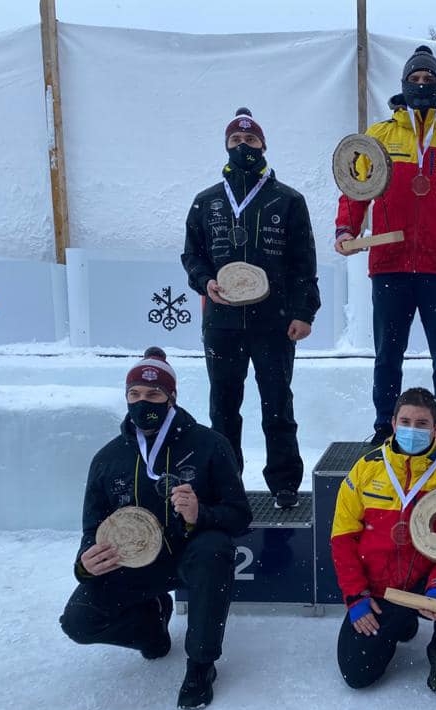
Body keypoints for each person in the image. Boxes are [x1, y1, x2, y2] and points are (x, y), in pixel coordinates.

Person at [333, 45, 436, 463]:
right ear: (403, 84)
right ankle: (381, 429)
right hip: (389, 266)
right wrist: (346, 227)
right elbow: (356, 189)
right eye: (415, 79)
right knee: (387, 356)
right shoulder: (379, 136)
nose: (421, 85)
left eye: (429, 79)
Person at [59, 347, 252, 710]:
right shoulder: (108, 458)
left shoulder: (209, 445)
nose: (142, 402)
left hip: (189, 554)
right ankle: (150, 627)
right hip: (133, 563)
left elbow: (240, 516)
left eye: (153, 395)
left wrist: (202, 514)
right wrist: (86, 563)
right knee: (78, 622)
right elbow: (92, 527)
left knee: (215, 550)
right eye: (134, 395)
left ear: (171, 397)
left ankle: (200, 664)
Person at [182, 108, 321, 509]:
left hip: (274, 322)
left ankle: (284, 484)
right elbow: (192, 256)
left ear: (264, 146)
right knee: (223, 408)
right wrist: (204, 282)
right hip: (222, 322)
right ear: (226, 147)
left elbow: (303, 263)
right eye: (236, 142)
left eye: (251, 141)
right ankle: (227, 484)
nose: (243, 147)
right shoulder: (205, 202)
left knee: (277, 404)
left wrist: (303, 312)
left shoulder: (288, 200)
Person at [331, 387, 436, 693]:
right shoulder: (366, 468)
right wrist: (356, 596)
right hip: (380, 588)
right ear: (393, 423)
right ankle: (399, 623)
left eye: (421, 424)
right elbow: (342, 538)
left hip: (428, 582)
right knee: (357, 674)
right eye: (405, 421)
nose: (411, 429)